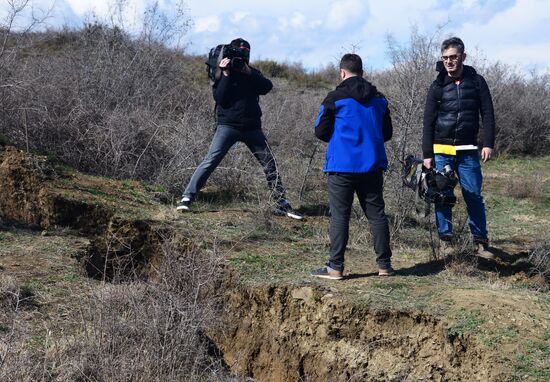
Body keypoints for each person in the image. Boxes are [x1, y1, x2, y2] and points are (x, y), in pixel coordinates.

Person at [176, 38, 302, 220]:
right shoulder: (222, 73)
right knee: (210, 160)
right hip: (228, 126)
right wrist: (226, 74)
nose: (243, 57)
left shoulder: (251, 73)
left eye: (246, 53)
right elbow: (220, 98)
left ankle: (281, 203)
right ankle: (187, 197)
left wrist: (249, 72)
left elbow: (267, 87)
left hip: (252, 127)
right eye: (241, 53)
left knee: (269, 163)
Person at [311, 54, 393, 280]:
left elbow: (320, 132)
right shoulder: (379, 99)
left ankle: (335, 268)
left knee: (340, 217)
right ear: (363, 72)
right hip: (372, 165)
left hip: (341, 166)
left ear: (342, 73)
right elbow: (387, 134)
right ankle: (384, 266)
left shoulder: (334, 98)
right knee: (377, 215)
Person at [422, 37, 496, 259]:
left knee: (473, 195)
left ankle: (481, 243)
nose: (449, 61)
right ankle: (446, 242)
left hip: (468, 151)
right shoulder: (437, 86)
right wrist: (427, 154)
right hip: (442, 150)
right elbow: (428, 122)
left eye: (453, 57)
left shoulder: (477, 82)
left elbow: (488, 114)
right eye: (445, 58)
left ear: (463, 56)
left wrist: (489, 143)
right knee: (442, 195)